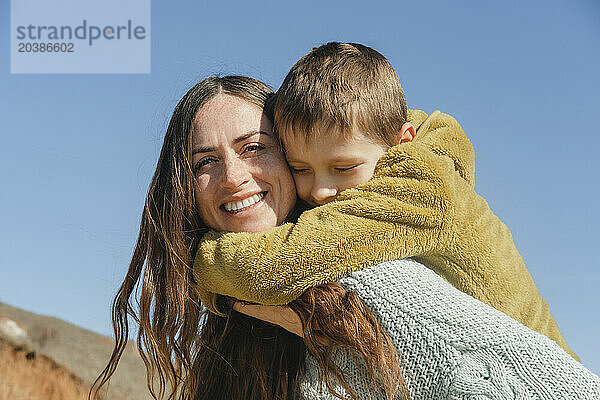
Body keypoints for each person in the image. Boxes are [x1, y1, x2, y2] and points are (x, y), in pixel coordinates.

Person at [191, 42, 578, 360]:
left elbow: (277, 264)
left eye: (343, 169)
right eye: (302, 169)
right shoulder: (379, 158)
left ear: (401, 142)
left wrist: (201, 258)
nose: (322, 191)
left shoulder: (420, 188)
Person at [90, 75, 406, 400]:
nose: (232, 178)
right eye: (206, 162)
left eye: (253, 148)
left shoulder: (377, 277)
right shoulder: (229, 315)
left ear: (293, 151)